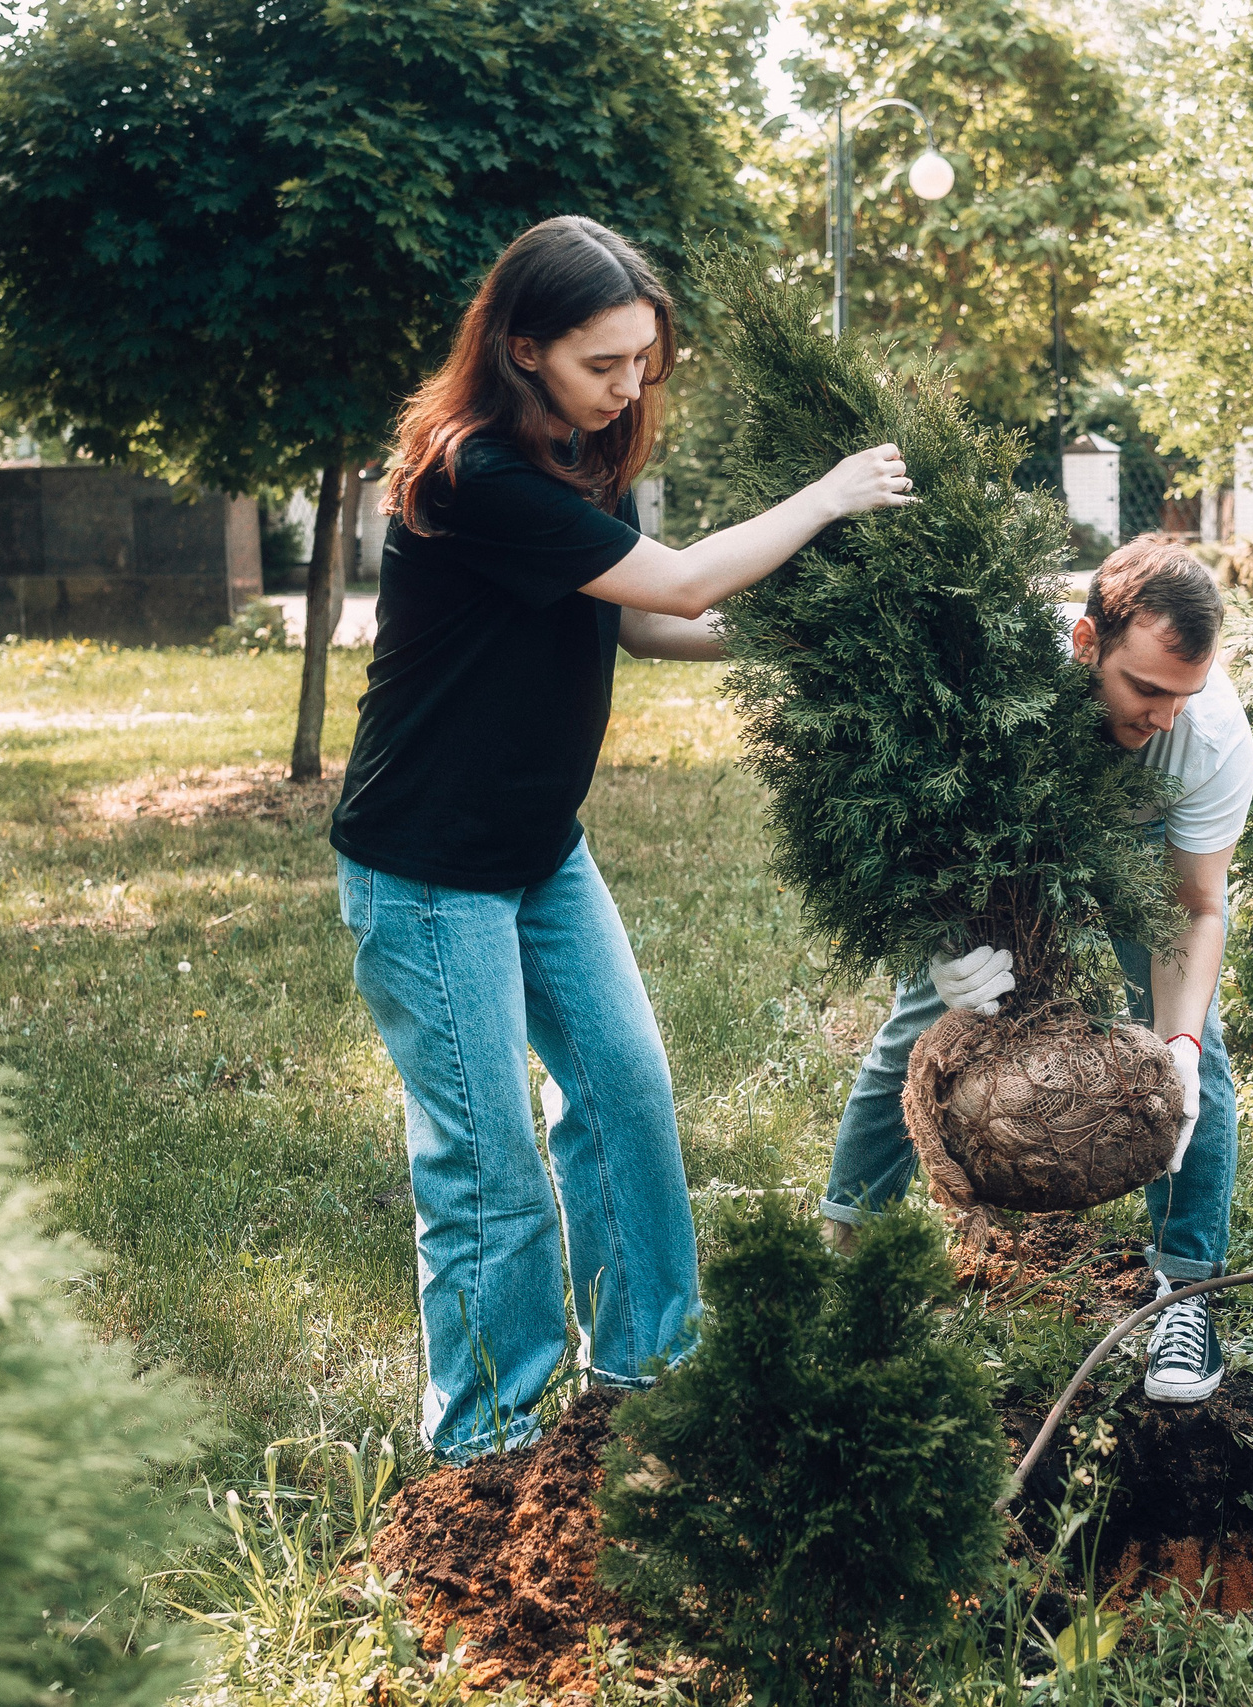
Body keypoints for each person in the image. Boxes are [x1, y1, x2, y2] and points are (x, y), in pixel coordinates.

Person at [330, 216, 914, 1464]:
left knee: (627, 1097)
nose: (631, 388)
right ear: (524, 347)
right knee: (486, 1168)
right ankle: (491, 1447)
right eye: (606, 364)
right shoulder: (474, 473)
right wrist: (824, 498)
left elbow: (646, 624)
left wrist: (806, 653)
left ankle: (656, 1380)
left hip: (539, 847)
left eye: (646, 361)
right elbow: (686, 583)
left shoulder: (584, 456)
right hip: (427, 868)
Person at [819, 538, 1253, 1404]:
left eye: (1186, 694)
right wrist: (942, 941)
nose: (1165, 715)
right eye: (1147, 689)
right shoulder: (993, 687)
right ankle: (850, 1258)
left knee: (1195, 1044)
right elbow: (903, 827)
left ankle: (1185, 1292)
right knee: (921, 1023)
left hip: (1144, 840)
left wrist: (1172, 1042)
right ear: (1085, 641)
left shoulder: (1204, 740)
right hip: (1008, 823)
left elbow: (1196, 907)